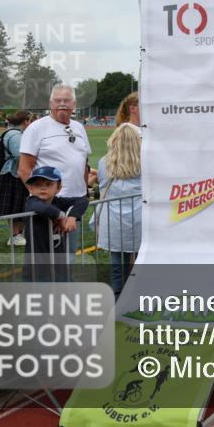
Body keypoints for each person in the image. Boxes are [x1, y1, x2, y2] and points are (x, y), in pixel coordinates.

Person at [19, 84, 91, 254]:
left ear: (74, 104)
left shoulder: (79, 128)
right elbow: (24, 170)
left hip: (74, 205)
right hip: (46, 207)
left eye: (67, 100)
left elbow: (83, 163)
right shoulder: (36, 128)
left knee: (69, 256)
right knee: (44, 260)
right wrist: (43, 202)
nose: (62, 104)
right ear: (50, 103)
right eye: (58, 100)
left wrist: (84, 192)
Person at [94, 125, 142, 298]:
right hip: (140, 217)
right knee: (140, 260)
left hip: (113, 218)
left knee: (116, 262)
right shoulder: (146, 162)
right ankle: (137, 295)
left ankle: (117, 295)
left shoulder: (104, 163)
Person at [23, 166, 89, 278]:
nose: (42, 188)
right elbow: (42, 208)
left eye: (48, 184)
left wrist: (72, 217)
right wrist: (62, 216)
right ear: (31, 189)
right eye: (37, 185)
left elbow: (83, 200)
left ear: (58, 188)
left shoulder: (58, 201)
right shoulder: (32, 201)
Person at [0, 111, 31, 246]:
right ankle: (15, 236)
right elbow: (20, 156)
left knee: (19, 205)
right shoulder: (15, 135)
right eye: (29, 121)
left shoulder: (14, 133)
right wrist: (25, 171)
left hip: (14, 173)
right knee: (15, 206)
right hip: (14, 174)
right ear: (25, 121)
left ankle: (18, 234)